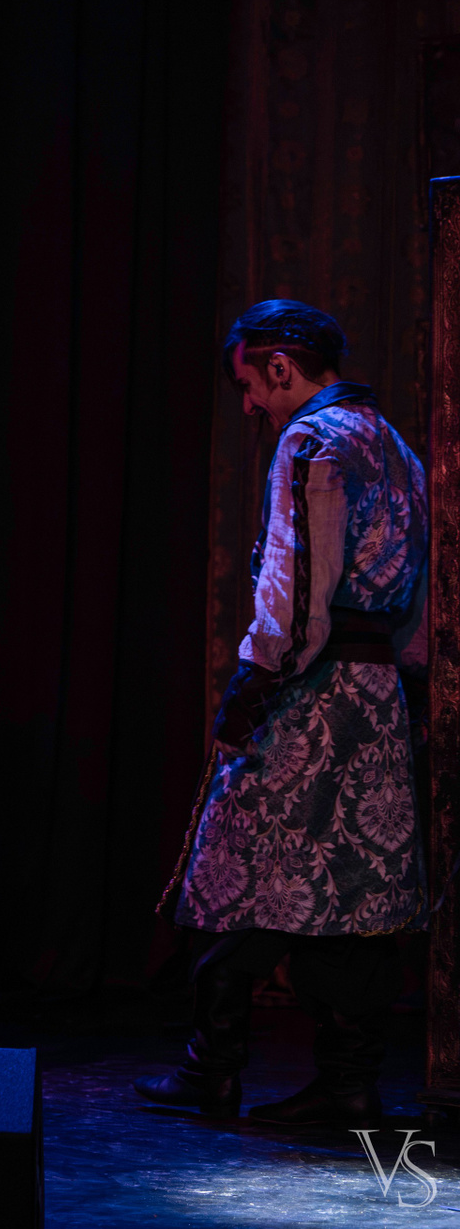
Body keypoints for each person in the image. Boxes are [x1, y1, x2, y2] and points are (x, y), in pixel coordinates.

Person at [136, 301, 428, 1125]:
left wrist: (253, 687)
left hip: (312, 693)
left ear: (279, 365)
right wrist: (407, 681)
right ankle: (349, 1083)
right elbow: (422, 593)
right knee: (352, 888)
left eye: (250, 384)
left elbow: (297, 593)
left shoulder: (312, 441)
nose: (249, 405)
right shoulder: (396, 445)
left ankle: (214, 1069)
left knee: (235, 871)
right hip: (376, 696)